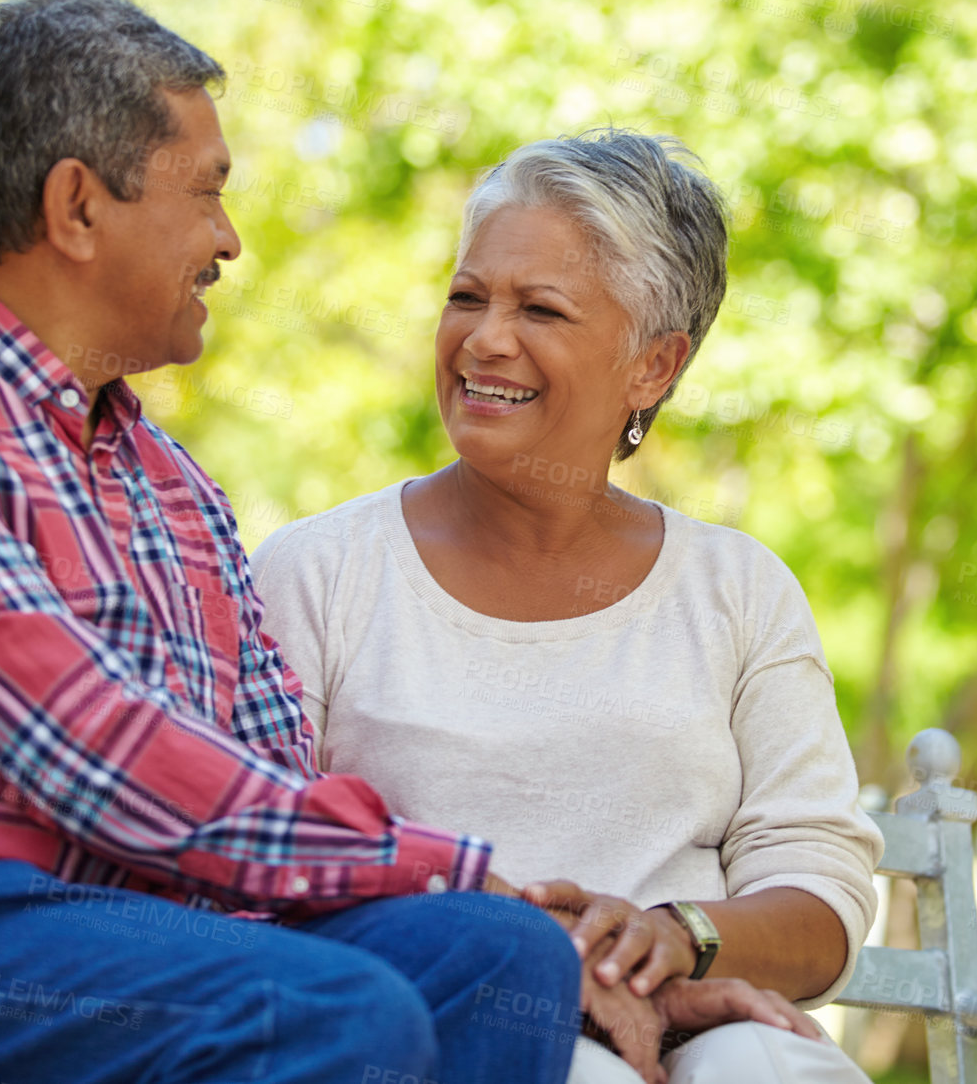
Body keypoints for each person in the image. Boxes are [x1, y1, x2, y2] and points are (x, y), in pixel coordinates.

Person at [0, 0, 594, 1084]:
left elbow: (261, 768)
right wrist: (436, 863)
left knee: (505, 960)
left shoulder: (177, 487)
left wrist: (513, 907)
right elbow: (78, 739)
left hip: (141, 936)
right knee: (323, 1012)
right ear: (77, 207)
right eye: (207, 193)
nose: (228, 240)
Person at [252, 129, 885, 1083]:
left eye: (540, 309)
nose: (484, 338)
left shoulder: (738, 591)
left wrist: (678, 940)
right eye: (467, 297)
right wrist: (551, 970)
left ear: (653, 367)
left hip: (705, 1014)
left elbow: (821, 894)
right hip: (442, 1021)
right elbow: (255, 859)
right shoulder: (320, 571)